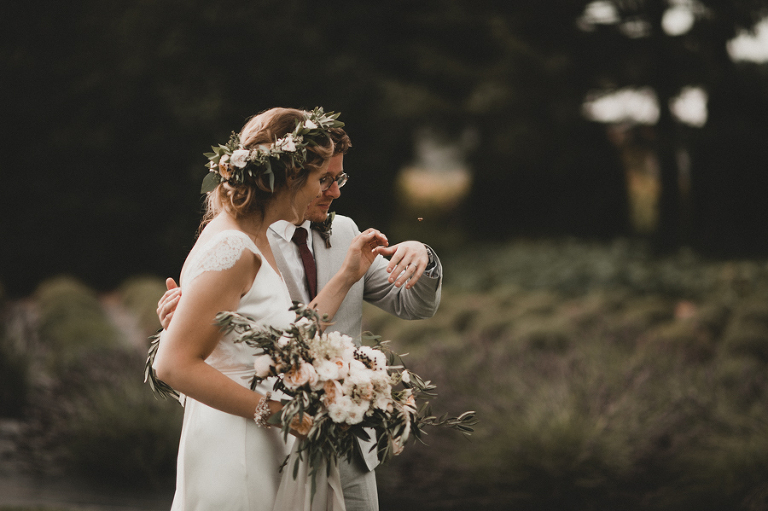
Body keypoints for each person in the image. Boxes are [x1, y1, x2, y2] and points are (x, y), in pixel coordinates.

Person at [157, 127, 443, 511]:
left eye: (339, 178)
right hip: (262, 437)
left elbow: (413, 306)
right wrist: (177, 324)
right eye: (323, 179)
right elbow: (186, 356)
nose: (333, 191)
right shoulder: (240, 241)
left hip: (340, 440)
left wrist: (420, 253)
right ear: (291, 175)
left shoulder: (346, 233)